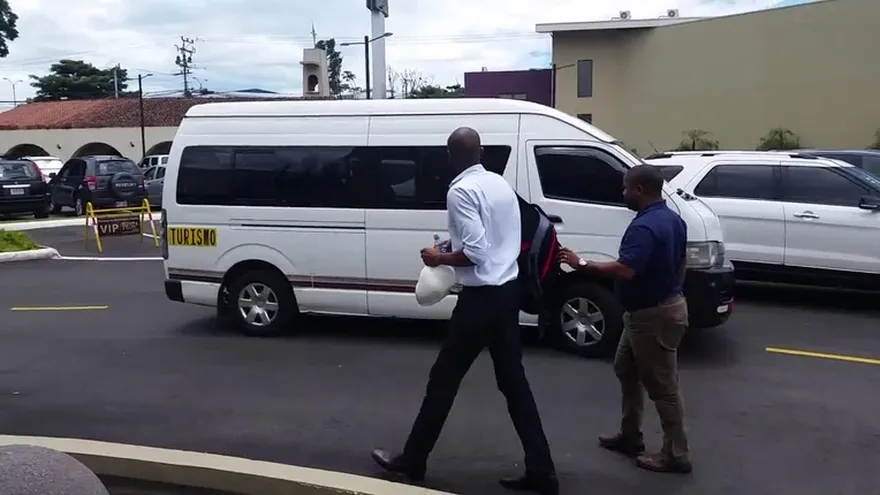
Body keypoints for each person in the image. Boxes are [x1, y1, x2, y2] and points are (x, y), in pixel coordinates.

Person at [371, 127, 558, 494]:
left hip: (481, 300)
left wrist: (438, 256)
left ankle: (412, 463)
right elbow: (494, 239)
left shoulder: (460, 191)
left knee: (443, 381)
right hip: (507, 293)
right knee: (514, 385)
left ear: (449, 156)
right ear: (482, 152)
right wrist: (452, 243)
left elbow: (476, 253)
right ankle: (542, 471)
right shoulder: (499, 184)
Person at [557, 164, 692, 474]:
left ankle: (676, 454)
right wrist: (674, 291)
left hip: (652, 315)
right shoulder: (672, 219)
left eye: (625, 188)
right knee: (625, 369)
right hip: (648, 311)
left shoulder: (644, 228)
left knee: (664, 387)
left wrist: (582, 263)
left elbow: (626, 269)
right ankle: (630, 435)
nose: (623, 193)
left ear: (639, 190)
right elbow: (681, 261)